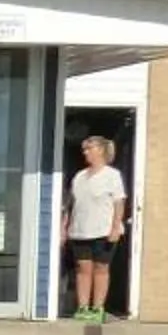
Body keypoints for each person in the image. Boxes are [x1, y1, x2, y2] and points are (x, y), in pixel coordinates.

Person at [63, 135, 129, 321]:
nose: (85, 152)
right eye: (84, 149)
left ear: (100, 150)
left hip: (103, 231)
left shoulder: (112, 175)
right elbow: (71, 204)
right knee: (83, 269)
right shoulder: (79, 176)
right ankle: (83, 307)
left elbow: (119, 203)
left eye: (89, 149)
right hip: (80, 231)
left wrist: (115, 227)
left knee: (101, 268)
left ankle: (97, 308)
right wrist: (64, 228)